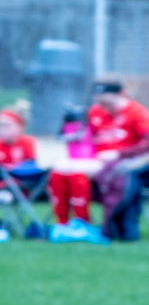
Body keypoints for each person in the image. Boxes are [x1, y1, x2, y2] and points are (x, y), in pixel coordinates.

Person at [49, 79, 149, 228]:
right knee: (59, 173)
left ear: (122, 95)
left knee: (75, 171)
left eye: (109, 103)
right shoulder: (95, 111)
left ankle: (83, 223)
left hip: (121, 164)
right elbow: (82, 140)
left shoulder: (136, 112)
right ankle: (63, 223)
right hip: (94, 160)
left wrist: (119, 154)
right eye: (101, 103)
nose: (105, 107)